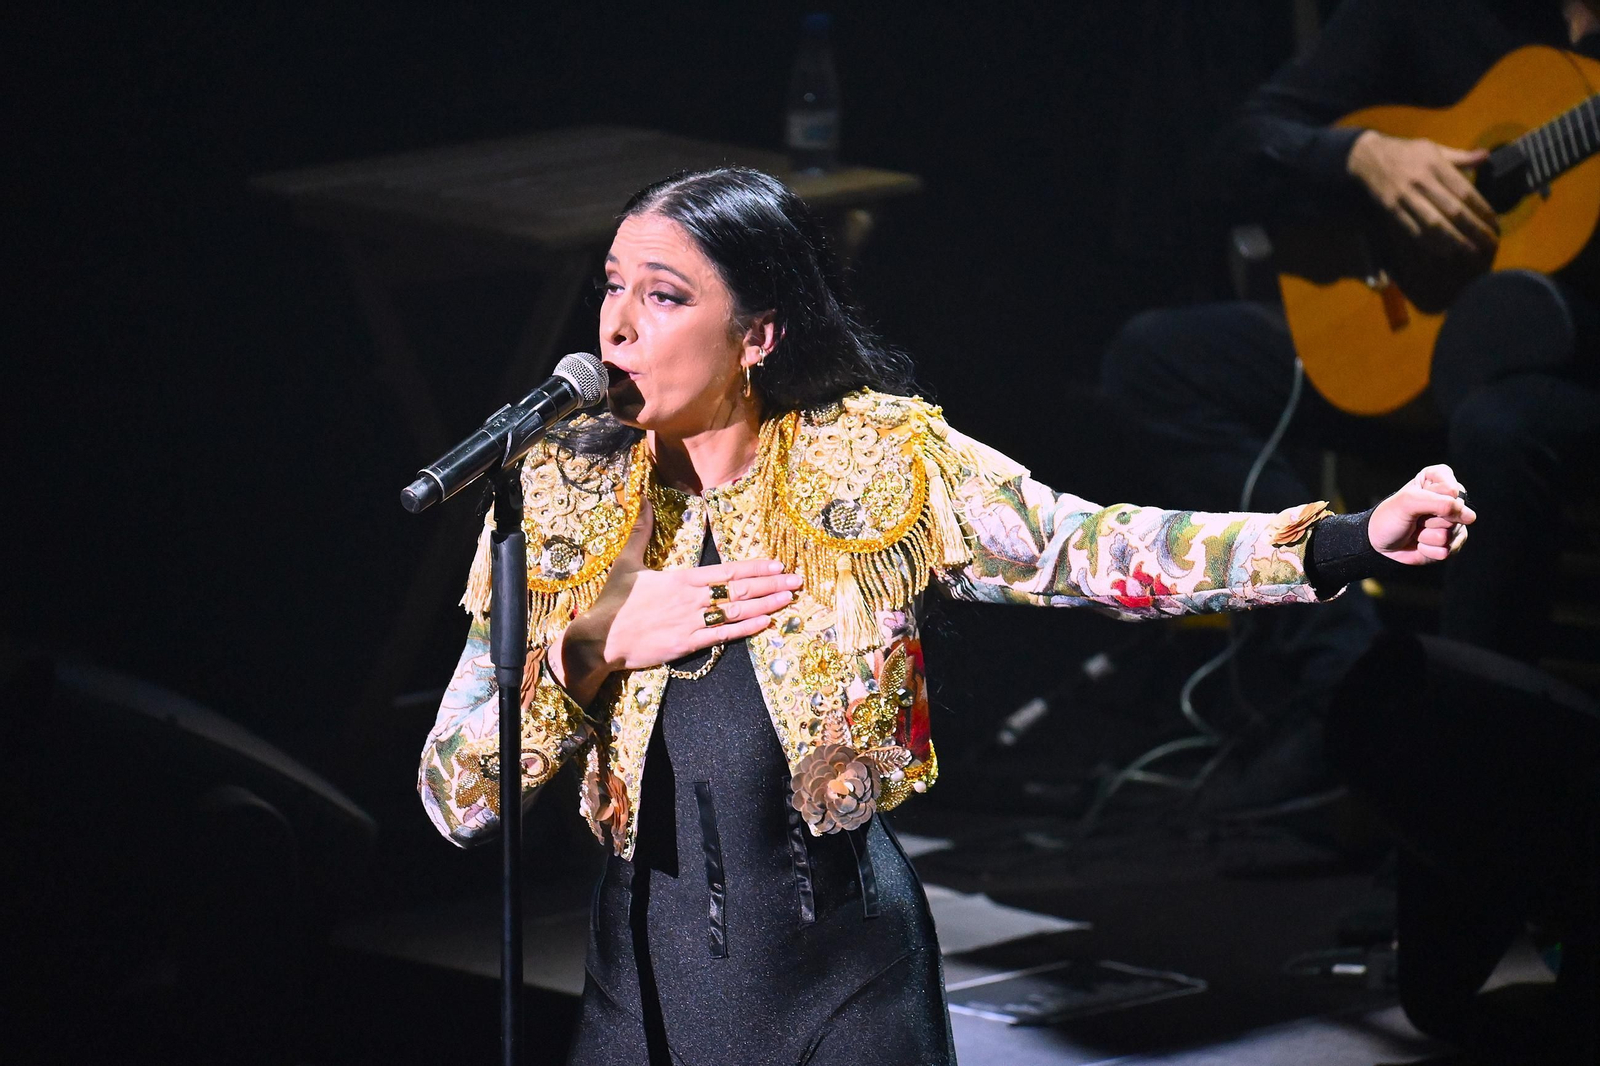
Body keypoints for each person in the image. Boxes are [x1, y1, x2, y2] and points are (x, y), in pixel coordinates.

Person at [417, 167, 1471, 1066]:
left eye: (663, 295)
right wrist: (587, 648)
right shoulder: (559, 494)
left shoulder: (878, 458)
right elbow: (454, 796)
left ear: (758, 333)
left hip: (847, 987)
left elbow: (1088, 548)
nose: (615, 324)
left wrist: (1344, 539)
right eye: (611, 287)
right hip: (637, 995)